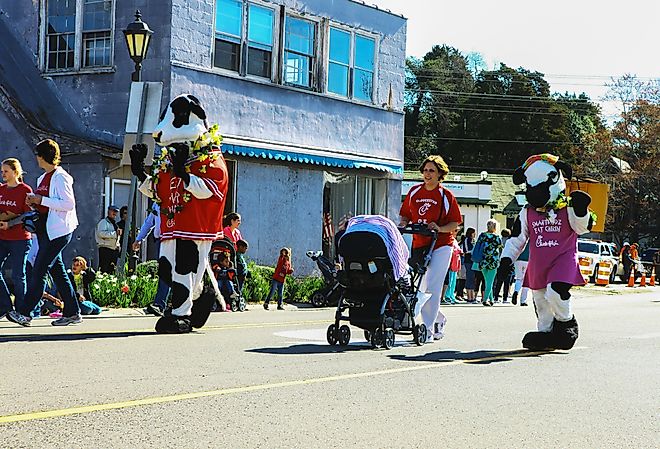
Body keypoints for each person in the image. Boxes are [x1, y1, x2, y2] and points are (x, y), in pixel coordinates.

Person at [7, 139, 81, 327]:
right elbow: (46, 202)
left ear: (43, 156)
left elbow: (68, 204)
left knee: (39, 271)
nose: (36, 158)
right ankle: (73, 312)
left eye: (38, 155)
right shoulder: (42, 178)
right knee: (58, 273)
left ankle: (25, 313)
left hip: (59, 232)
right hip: (45, 231)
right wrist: (35, 202)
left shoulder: (61, 177)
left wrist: (41, 199)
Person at [399, 155, 462, 341]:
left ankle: (426, 328)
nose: (427, 174)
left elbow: (455, 223)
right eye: (425, 170)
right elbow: (405, 215)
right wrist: (403, 224)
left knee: (433, 286)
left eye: (432, 171)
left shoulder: (445, 195)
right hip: (420, 243)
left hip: (441, 244)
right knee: (420, 286)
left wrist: (440, 228)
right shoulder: (414, 192)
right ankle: (439, 318)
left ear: (440, 174)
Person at [0, 158, 34, 320]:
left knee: (18, 275)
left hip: (20, 238)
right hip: (2, 237)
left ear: (15, 172)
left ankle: (22, 311)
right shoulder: (1, 190)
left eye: (6, 171)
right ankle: (6, 307)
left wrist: (10, 223)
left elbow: (29, 214)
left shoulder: (25, 190)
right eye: (2, 171)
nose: (3, 174)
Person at [133, 203, 170, 316]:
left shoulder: (173, 197)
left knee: (171, 273)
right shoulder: (157, 202)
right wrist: (139, 239)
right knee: (164, 273)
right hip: (161, 240)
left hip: (173, 239)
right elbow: (149, 222)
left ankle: (162, 304)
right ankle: (159, 304)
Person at [474, 219, 503, 306]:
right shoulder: (497, 237)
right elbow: (500, 247)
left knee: (487, 281)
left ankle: (491, 299)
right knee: (490, 282)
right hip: (493, 261)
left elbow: (477, 245)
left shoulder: (482, 235)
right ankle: (485, 299)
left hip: (483, 260)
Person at [95, 205, 120, 273]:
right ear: (109, 211)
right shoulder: (103, 222)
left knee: (112, 270)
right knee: (104, 270)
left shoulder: (114, 223)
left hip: (113, 250)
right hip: (105, 249)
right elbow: (101, 234)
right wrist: (115, 234)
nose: (115, 213)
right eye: (113, 211)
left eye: (116, 212)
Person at [494, 228, 514, 302]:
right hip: (508, 261)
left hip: (500, 262)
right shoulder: (510, 241)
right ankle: (505, 298)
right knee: (507, 281)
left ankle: (496, 297)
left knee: (499, 281)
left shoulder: (499, 240)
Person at [443, 234, 463, 304]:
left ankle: (452, 296)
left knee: (453, 281)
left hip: (455, 263)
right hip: (451, 263)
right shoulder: (450, 240)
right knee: (450, 281)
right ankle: (447, 296)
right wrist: (459, 251)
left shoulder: (454, 240)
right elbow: (452, 250)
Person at [461, 227, 477, 303]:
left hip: (473, 261)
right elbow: (466, 250)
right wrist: (474, 250)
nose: (474, 234)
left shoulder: (473, 240)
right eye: (474, 233)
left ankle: (472, 296)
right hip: (468, 260)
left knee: (473, 278)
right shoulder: (467, 240)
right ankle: (469, 296)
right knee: (469, 277)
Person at [511, 242, 530, 306]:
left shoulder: (519, 238)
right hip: (528, 260)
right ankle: (523, 300)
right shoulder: (533, 238)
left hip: (517, 259)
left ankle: (516, 291)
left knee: (519, 278)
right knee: (526, 281)